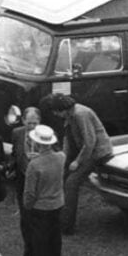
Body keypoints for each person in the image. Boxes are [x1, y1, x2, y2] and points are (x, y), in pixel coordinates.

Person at [49, 93, 113, 235]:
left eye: (56, 111)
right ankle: (59, 217)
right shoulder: (69, 116)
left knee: (71, 183)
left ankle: (67, 226)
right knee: (63, 176)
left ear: (62, 109)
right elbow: (67, 138)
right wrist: (64, 159)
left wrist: (77, 162)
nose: (56, 115)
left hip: (97, 152)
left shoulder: (80, 114)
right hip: (83, 150)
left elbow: (90, 143)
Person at [24, 124, 65, 256]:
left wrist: (27, 206)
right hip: (57, 204)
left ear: (36, 142)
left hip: (40, 207)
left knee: (40, 239)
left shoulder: (34, 165)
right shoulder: (61, 158)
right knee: (55, 238)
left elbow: (30, 192)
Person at [12, 106, 42, 256]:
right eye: (29, 123)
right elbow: (15, 155)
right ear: (23, 121)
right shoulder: (17, 133)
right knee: (25, 219)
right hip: (22, 182)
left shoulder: (46, 135)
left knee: (38, 220)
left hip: (39, 184)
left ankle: (39, 254)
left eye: (35, 123)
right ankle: (28, 255)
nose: (32, 127)